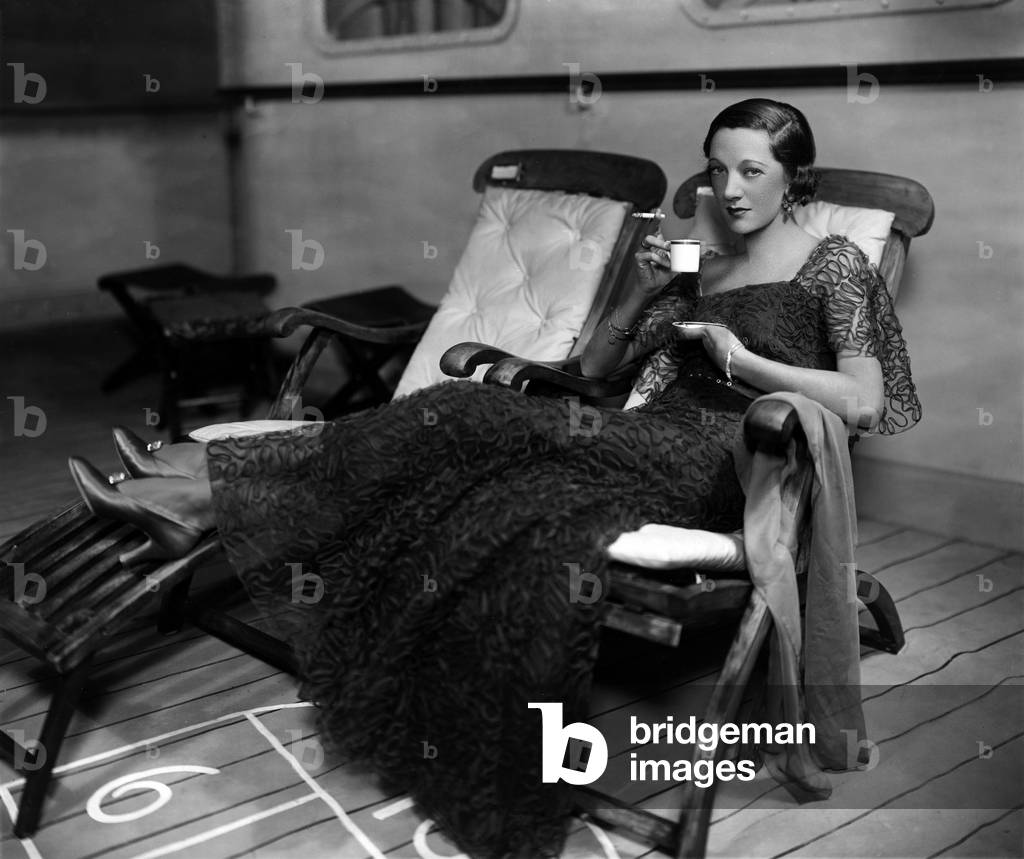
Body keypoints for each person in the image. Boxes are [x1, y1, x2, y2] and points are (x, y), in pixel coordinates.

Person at [67, 99, 920, 859]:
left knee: (471, 420)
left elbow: (863, 403)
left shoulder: (834, 263)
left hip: (723, 459)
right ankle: (200, 488)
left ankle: (199, 486)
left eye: (752, 170)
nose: (730, 188)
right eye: (718, 166)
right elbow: (593, 364)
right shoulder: (700, 256)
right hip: (630, 431)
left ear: (793, 178)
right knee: (486, 474)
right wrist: (643, 290)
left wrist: (747, 360)